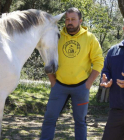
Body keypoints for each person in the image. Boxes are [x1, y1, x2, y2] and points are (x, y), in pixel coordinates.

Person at [40, 7, 104, 140]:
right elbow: (47, 57)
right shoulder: (57, 36)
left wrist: (89, 83)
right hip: (59, 87)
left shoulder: (90, 38)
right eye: (67, 19)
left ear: (80, 20)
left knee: (80, 122)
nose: (70, 22)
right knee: (49, 119)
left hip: (81, 87)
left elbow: (98, 61)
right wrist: (52, 81)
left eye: (73, 19)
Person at [100, 12, 124, 140]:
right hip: (117, 110)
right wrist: (105, 79)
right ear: (123, 28)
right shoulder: (113, 50)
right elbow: (106, 70)